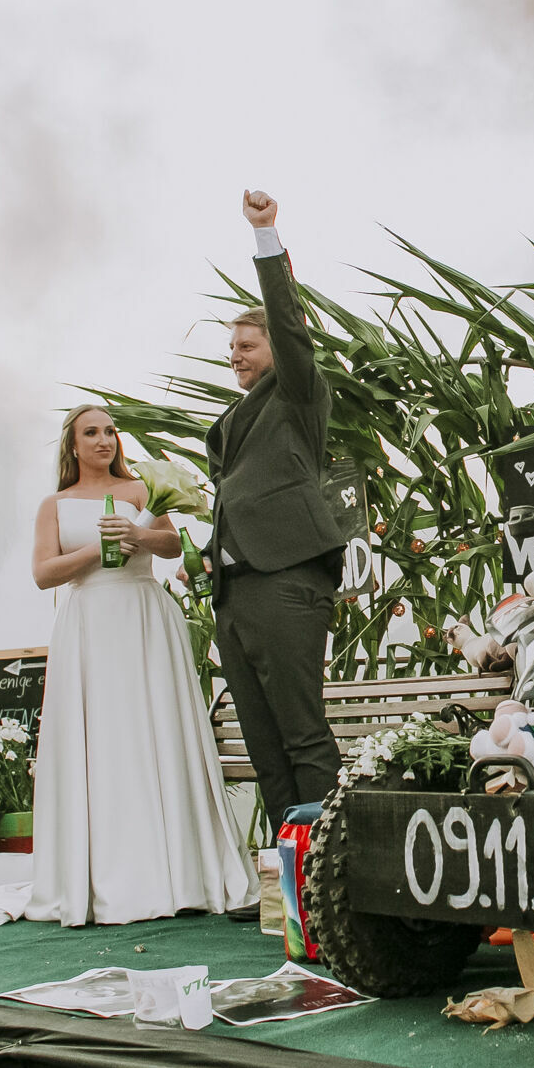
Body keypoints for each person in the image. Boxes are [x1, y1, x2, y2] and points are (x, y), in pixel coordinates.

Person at [26, 404, 251, 926]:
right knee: (102, 739)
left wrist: (137, 536)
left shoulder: (141, 491)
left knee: (155, 733)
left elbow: (172, 543)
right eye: (91, 432)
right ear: (73, 446)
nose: (104, 440)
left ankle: (179, 871)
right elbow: (42, 573)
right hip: (89, 625)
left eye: (109, 431)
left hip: (145, 618)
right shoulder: (54, 505)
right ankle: (108, 874)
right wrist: (95, 552)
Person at [184, 190, 346, 840]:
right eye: (230, 348)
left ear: (278, 346)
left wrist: (266, 236)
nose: (235, 355)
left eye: (247, 344)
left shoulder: (299, 395)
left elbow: (287, 320)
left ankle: (336, 867)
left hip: (287, 582)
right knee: (265, 746)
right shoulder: (231, 423)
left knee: (303, 734)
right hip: (234, 595)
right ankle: (290, 884)